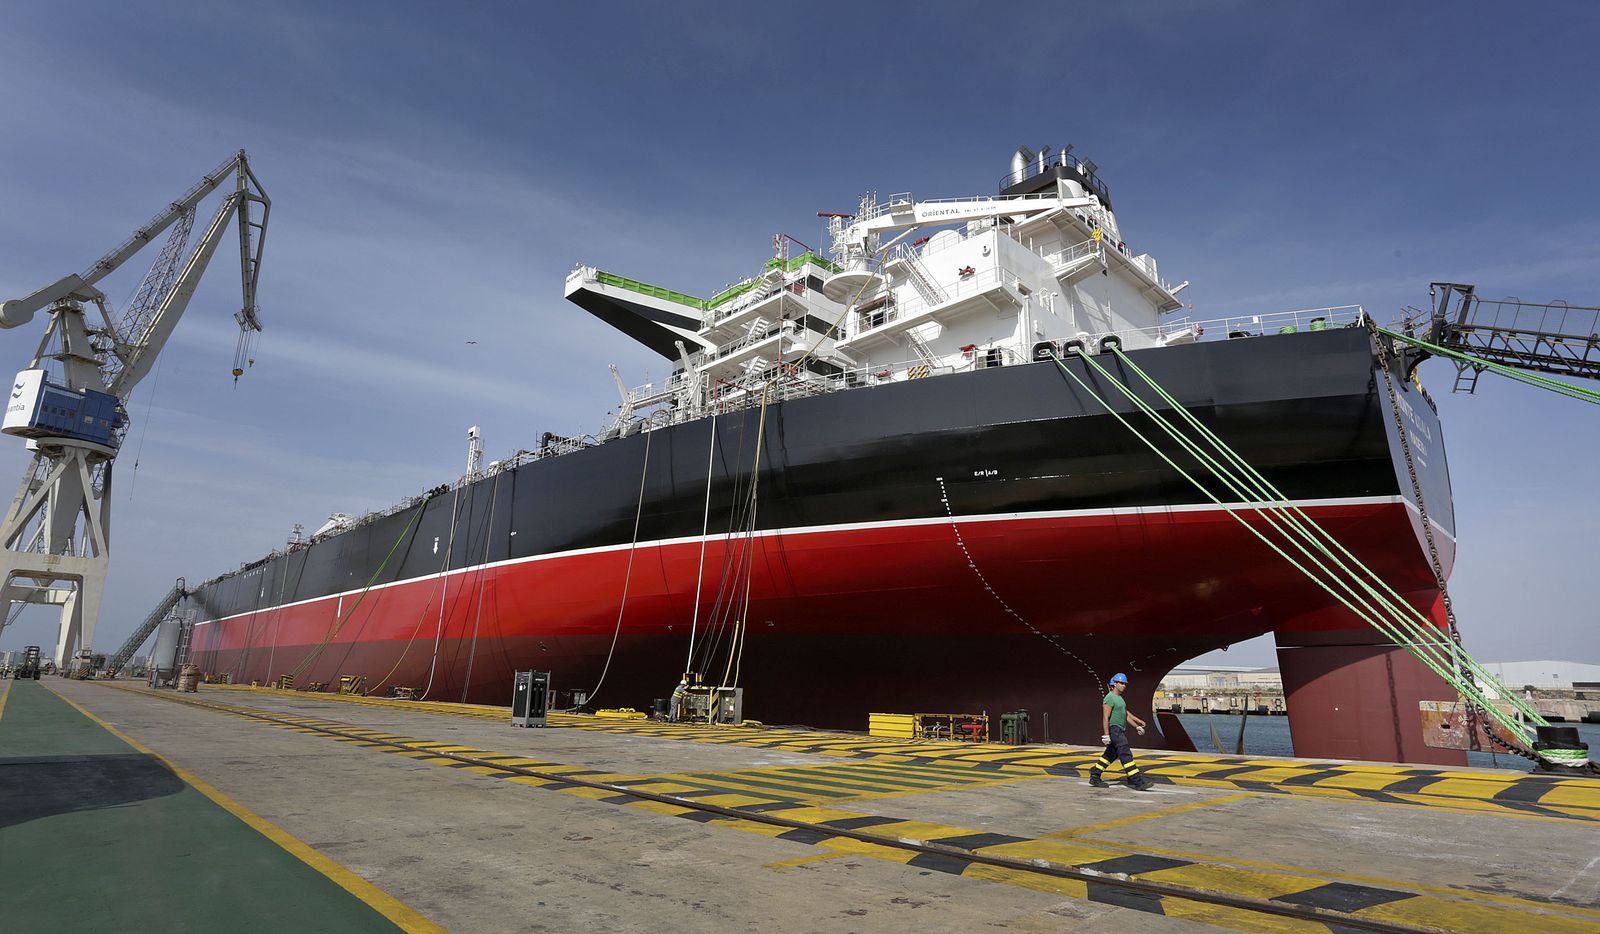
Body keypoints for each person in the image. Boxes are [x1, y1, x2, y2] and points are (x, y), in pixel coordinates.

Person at [1089, 672, 1153, 790]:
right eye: (1122, 683)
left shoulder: (1120, 699)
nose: (1124, 685)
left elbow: (1125, 714)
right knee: (1126, 754)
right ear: (1115, 683)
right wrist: (1106, 735)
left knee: (1110, 755)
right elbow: (1105, 717)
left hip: (1120, 730)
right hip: (1115, 730)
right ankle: (1137, 781)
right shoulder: (1109, 698)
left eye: (1125, 683)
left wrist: (1137, 724)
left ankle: (1095, 774)